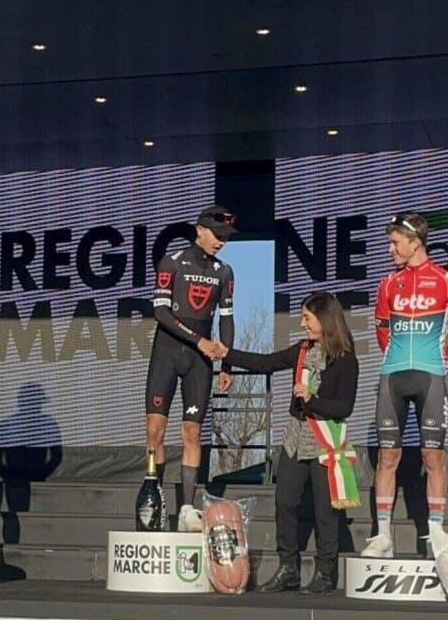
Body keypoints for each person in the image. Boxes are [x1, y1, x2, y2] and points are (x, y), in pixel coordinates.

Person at [212, 291, 359, 593]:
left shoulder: (345, 359)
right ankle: (288, 568)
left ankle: (325, 572)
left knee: (325, 509)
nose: (303, 324)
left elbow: (344, 407)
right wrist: (226, 354)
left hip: (324, 439)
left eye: (307, 318)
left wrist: (312, 400)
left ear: (325, 319)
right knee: (285, 501)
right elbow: (265, 363)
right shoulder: (302, 350)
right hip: (295, 437)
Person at [363, 212, 448, 557]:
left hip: (430, 376)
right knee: (387, 457)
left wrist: (441, 368)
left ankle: (436, 533)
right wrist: (394, 362)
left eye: (395, 243)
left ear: (415, 242)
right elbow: (382, 330)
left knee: (433, 456)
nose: (390, 249)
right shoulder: (386, 283)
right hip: (393, 376)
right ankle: (383, 536)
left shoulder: (447, 281)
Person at [145, 205, 236, 531]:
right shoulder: (171, 262)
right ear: (199, 229)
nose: (221, 241)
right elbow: (161, 314)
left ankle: (186, 508)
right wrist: (200, 341)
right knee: (155, 432)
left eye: (226, 237)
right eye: (217, 234)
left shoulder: (224, 271)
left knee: (192, 432)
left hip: (200, 361)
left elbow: (227, 319)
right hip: (167, 354)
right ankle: (152, 498)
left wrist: (226, 364)